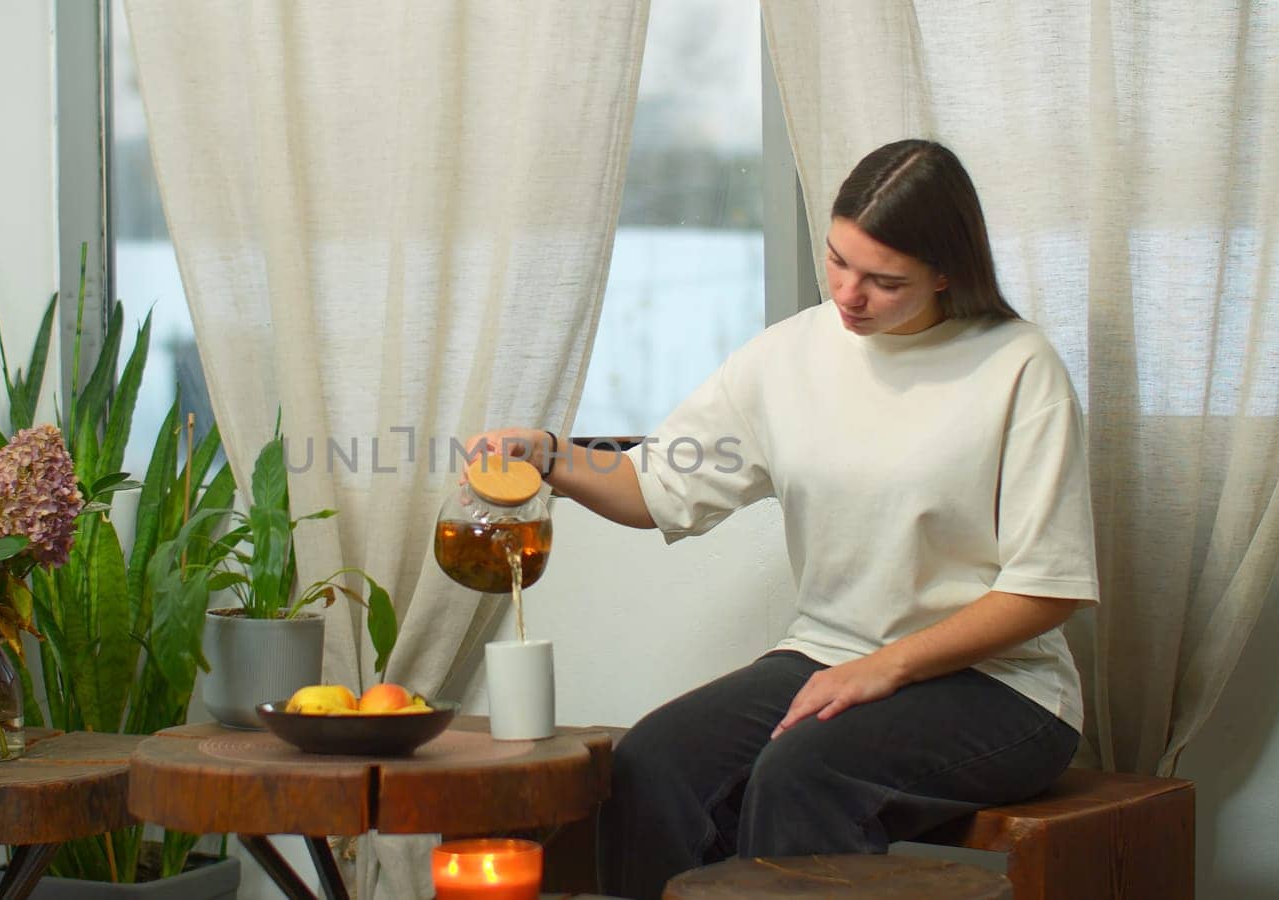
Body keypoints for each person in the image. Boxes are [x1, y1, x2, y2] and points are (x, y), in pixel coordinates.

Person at [467, 139, 1097, 899]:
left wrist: (882, 668)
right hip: (829, 658)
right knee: (653, 763)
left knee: (805, 772)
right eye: (837, 261)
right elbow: (654, 482)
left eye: (883, 280)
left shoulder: (1018, 367)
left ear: (947, 272)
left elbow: (1047, 589)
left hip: (1000, 689)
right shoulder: (790, 355)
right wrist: (549, 456)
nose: (849, 294)